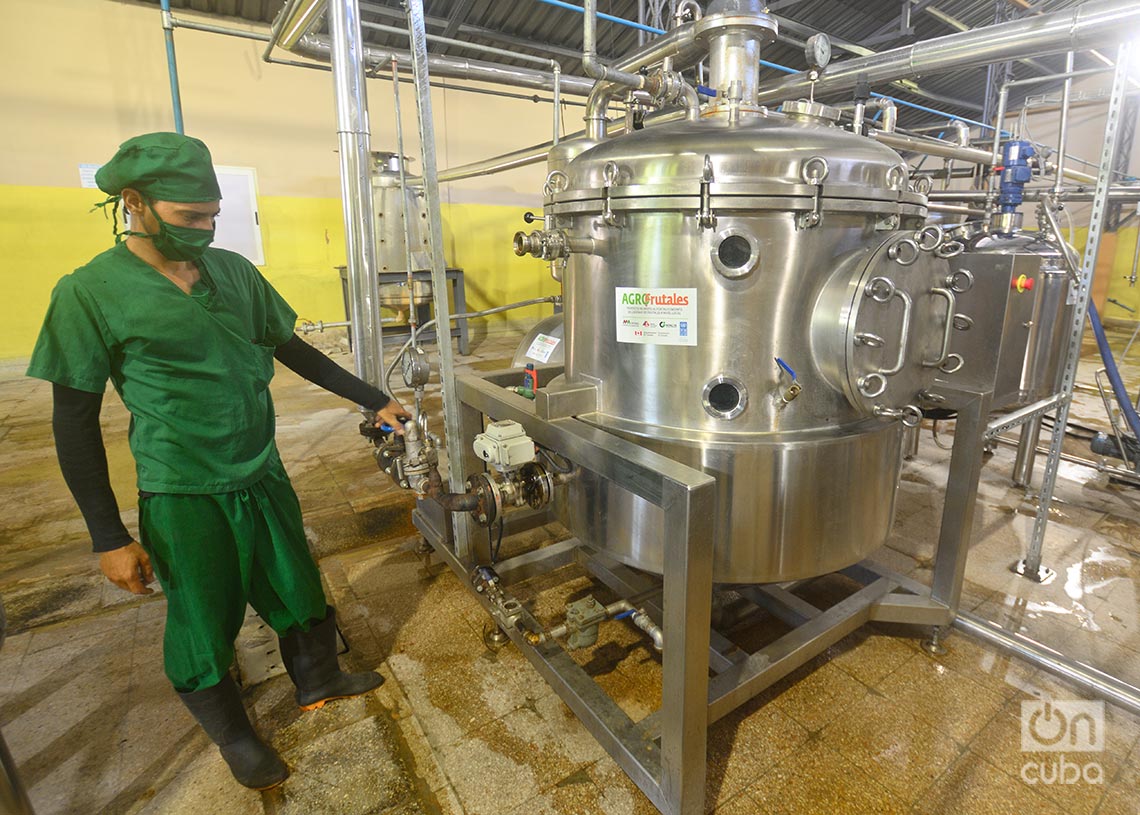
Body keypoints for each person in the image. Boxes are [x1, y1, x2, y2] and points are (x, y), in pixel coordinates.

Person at [26, 132, 410, 791]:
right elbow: (73, 421)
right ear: (135, 203)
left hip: (261, 469)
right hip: (184, 488)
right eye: (189, 217)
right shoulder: (88, 293)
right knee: (204, 619)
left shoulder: (232, 271)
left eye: (213, 214)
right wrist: (107, 535)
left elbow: (293, 349)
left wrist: (375, 399)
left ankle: (319, 679)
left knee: (298, 585)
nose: (205, 229)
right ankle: (235, 736)